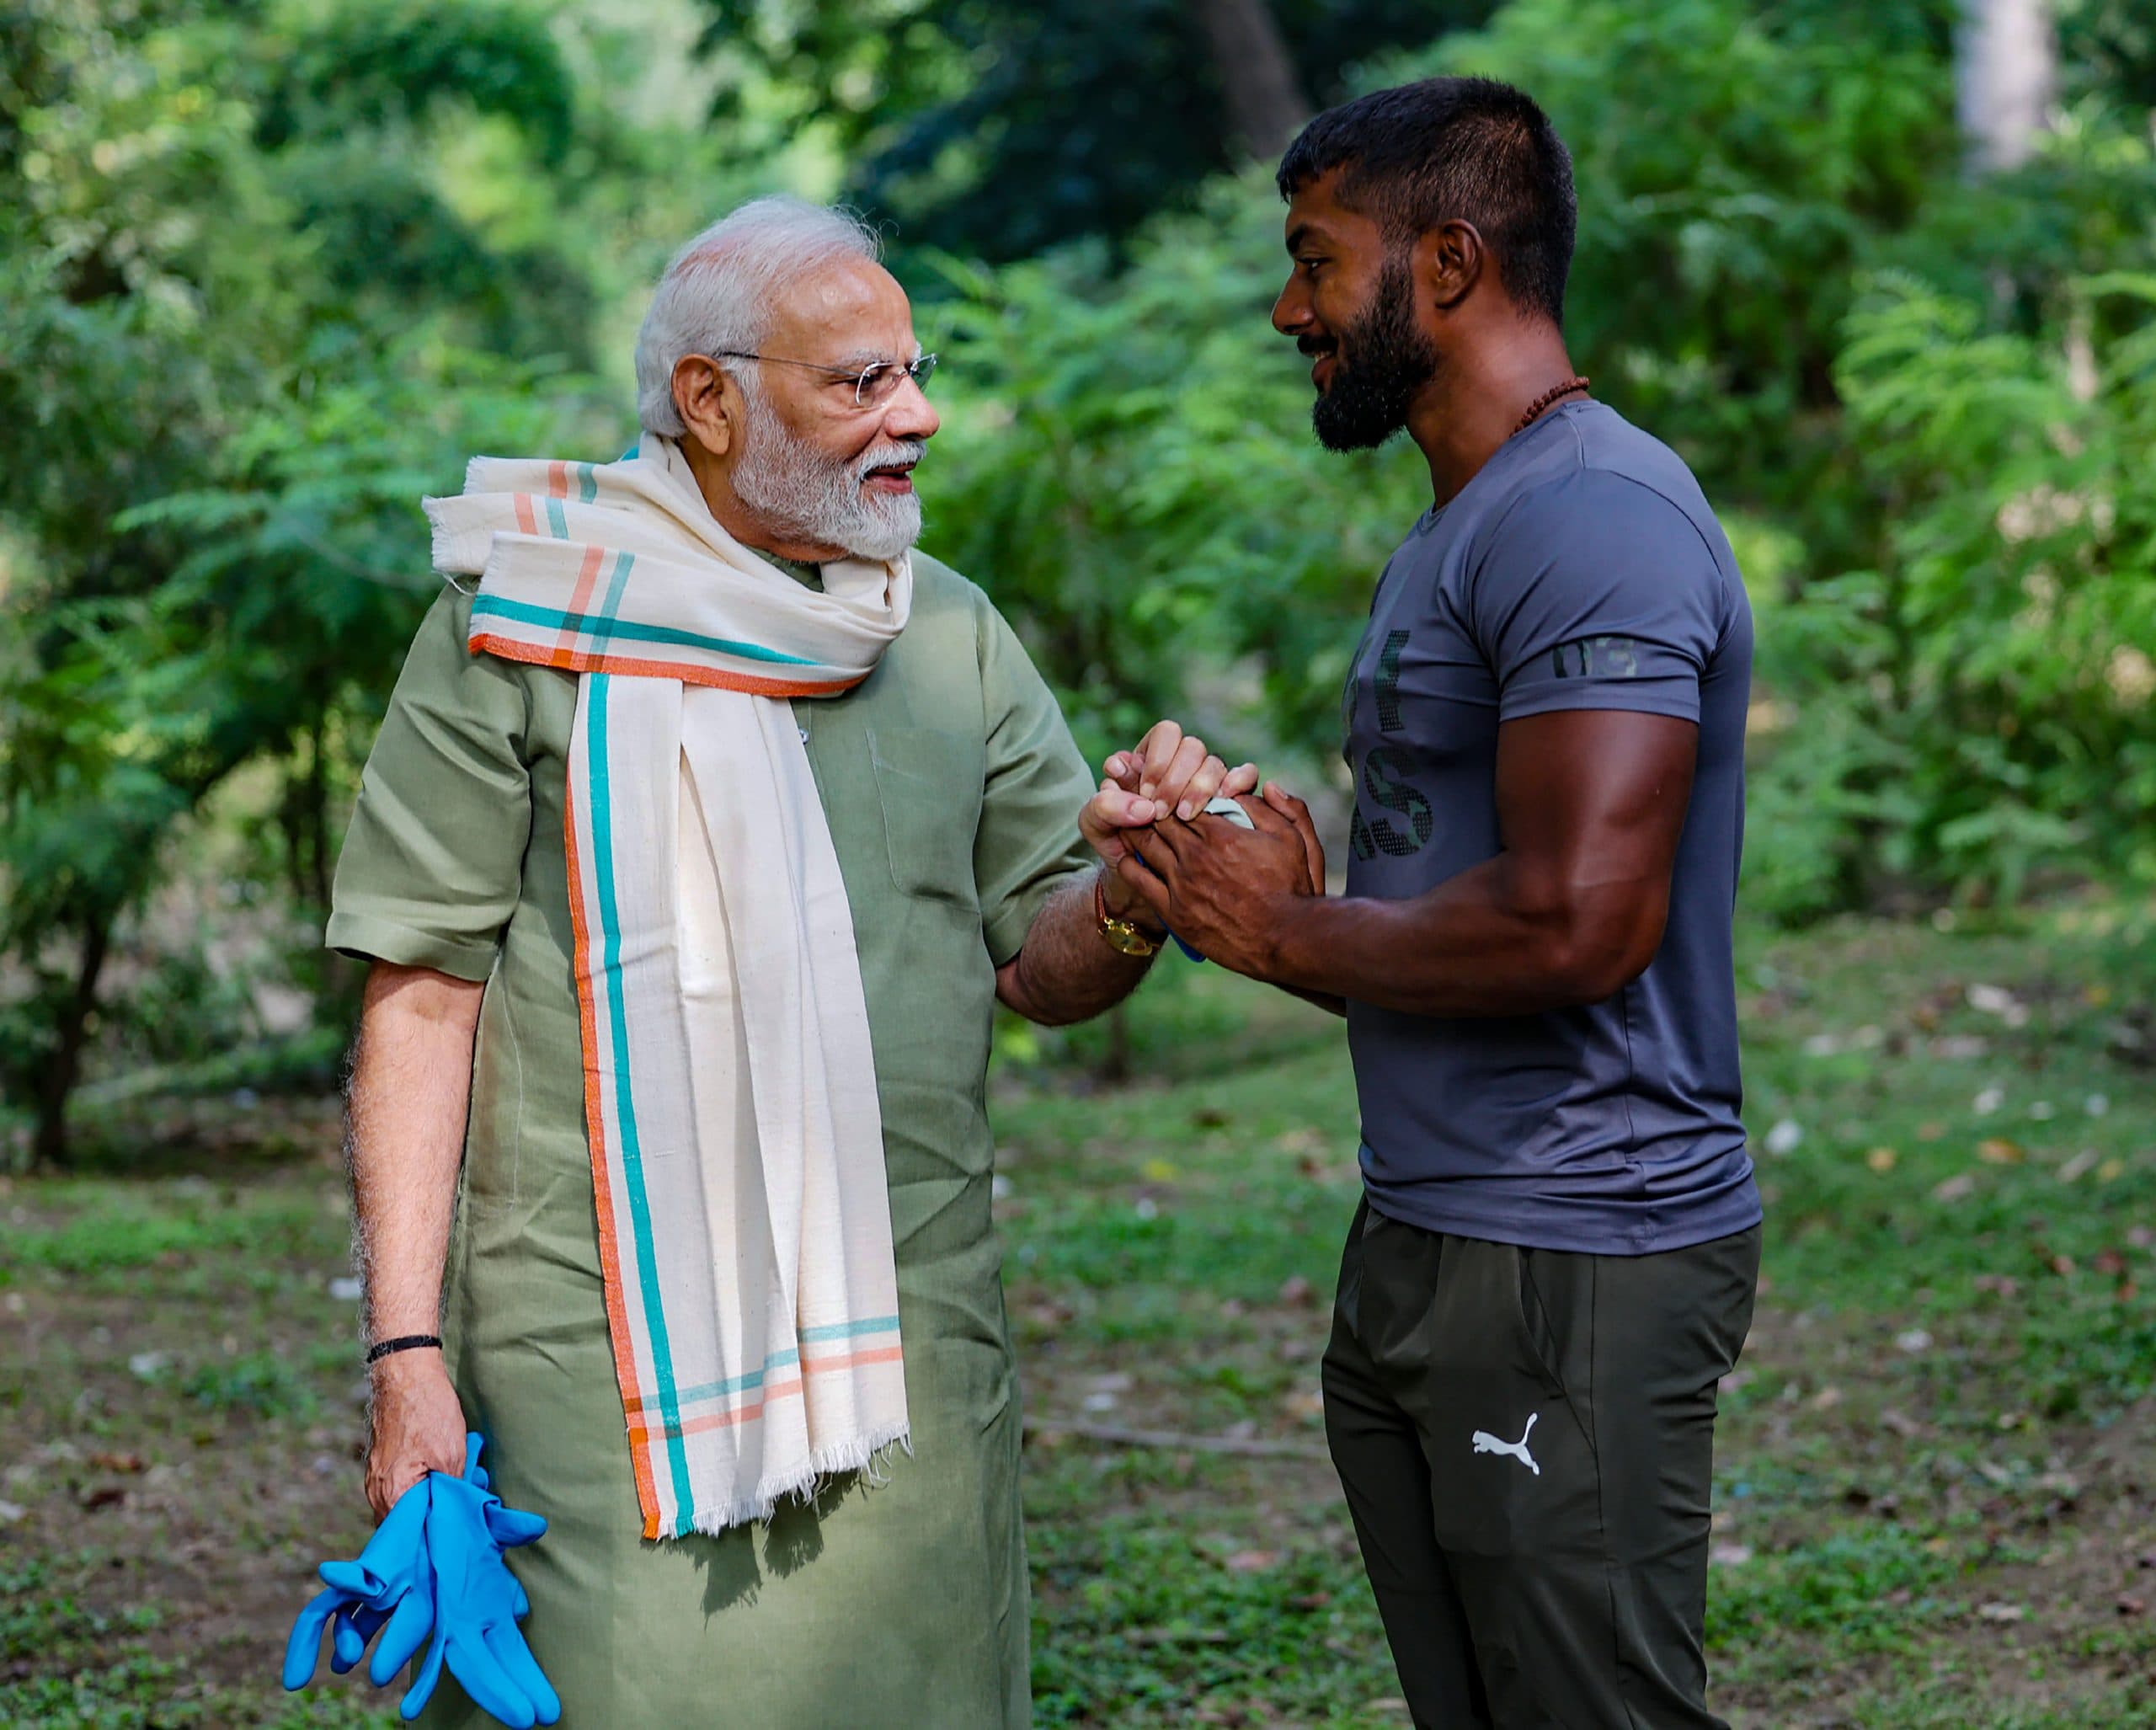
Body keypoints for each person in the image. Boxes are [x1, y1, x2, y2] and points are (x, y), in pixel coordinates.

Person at [326, 195, 1246, 1727]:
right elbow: (422, 987)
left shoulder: (941, 632)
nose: (921, 415)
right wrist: (408, 1353)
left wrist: (1137, 887)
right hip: (587, 1359)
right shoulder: (525, 613)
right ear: (709, 401)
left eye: (917, 371)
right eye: (864, 382)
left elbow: (1045, 951)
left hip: (909, 1354)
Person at [1112, 79, 1763, 1729]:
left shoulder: (1591, 518)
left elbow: (1574, 926)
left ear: (1450, 262)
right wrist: (1264, 882)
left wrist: (1278, 930)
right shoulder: (1465, 529)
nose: (1287, 309)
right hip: (1433, 1227)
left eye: (1313, 261)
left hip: (1574, 1249)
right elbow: (1456, 907)